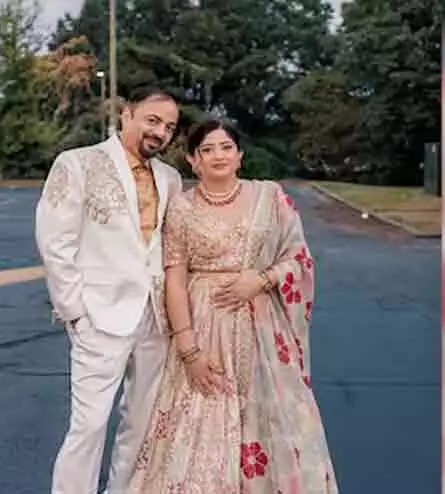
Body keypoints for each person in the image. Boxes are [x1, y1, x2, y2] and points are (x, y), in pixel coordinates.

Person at [128, 119, 339, 493]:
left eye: (226, 147)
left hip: (264, 332)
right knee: (197, 422)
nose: (218, 156)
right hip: (203, 329)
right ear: (193, 160)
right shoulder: (181, 208)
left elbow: (300, 258)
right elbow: (174, 280)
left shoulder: (270, 198)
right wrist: (189, 350)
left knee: (272, 419)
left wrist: (262, 279)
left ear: (240, 155)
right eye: (207, 149)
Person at [35, 86, 184, 494]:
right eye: (153, 120)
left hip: (156, 319)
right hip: (99, 317)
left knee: (141, 422)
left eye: (170, 127)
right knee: (89, 425)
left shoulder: (170, 179)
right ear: (126, 114)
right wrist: (75, 313)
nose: (161, 132)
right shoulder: (78, 163)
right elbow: (55, 242)